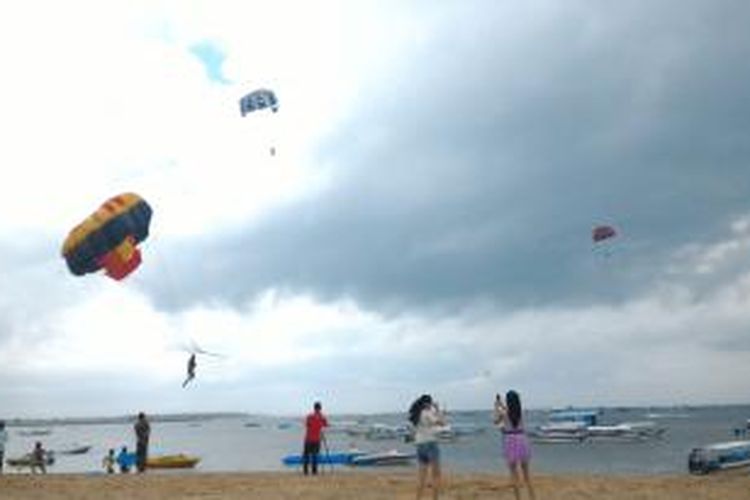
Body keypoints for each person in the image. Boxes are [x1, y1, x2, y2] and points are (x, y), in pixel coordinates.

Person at [494, 391, 535, 500]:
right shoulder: (522, 412)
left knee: (514, 476)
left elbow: (495, 421)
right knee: (527, 476)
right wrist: (501, 405)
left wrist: (496, 407)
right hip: (522, 439)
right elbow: (511, 410)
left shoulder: (504, 413)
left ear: (508, 401)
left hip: (510, 441)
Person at [409, 394, 445, 500]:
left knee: (421, 478)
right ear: (428, 403)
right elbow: (442, 422)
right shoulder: (427, 413)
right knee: (436, 476)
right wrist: (438, 409)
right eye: (431, 403)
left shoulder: (417, 414)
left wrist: (433, 410)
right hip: (431, 444)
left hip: (420, 445)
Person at [302, 401, 328, 475]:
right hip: (316, 439)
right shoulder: (322, 417)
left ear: (314, 408)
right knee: (314, 455)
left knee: (307, 455)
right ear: (320, 408)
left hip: (308, 439)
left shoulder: (309, 416)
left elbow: (307, 425)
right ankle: (314, 471)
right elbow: (326, 425)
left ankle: (306, 472)